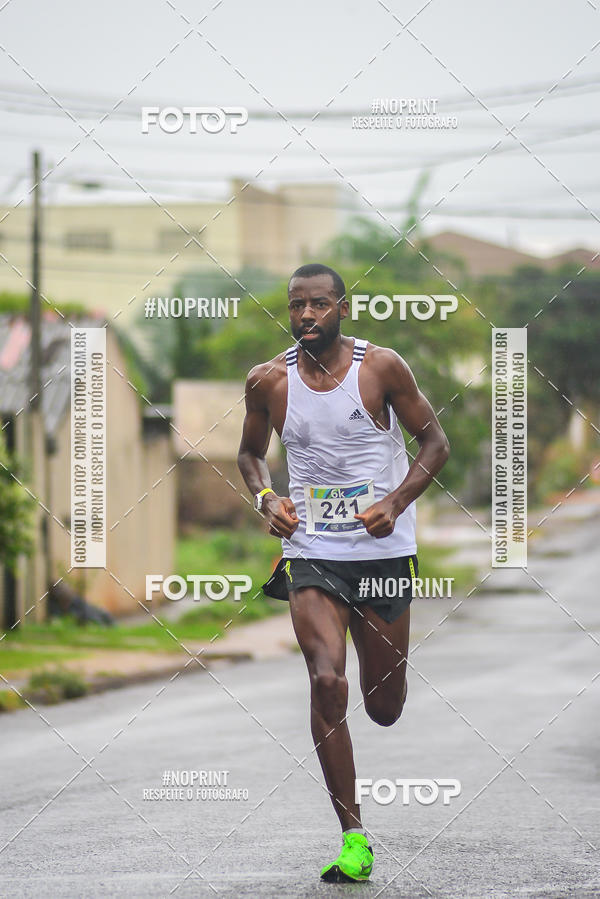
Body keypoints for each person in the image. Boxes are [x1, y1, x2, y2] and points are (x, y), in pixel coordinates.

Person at [237, 263, 450, 883]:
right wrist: (266, 499)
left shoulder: (381, 368)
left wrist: (395, 502)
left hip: (383, 554)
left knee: (384, 707)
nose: (306, 315)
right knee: (325, 679)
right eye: (297, 305)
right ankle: (352, 837)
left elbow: (435, 442)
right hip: (312, 553)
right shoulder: (268, 382)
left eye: (319, 305)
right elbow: (250, 455)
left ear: (343, 309)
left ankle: (382, 689)